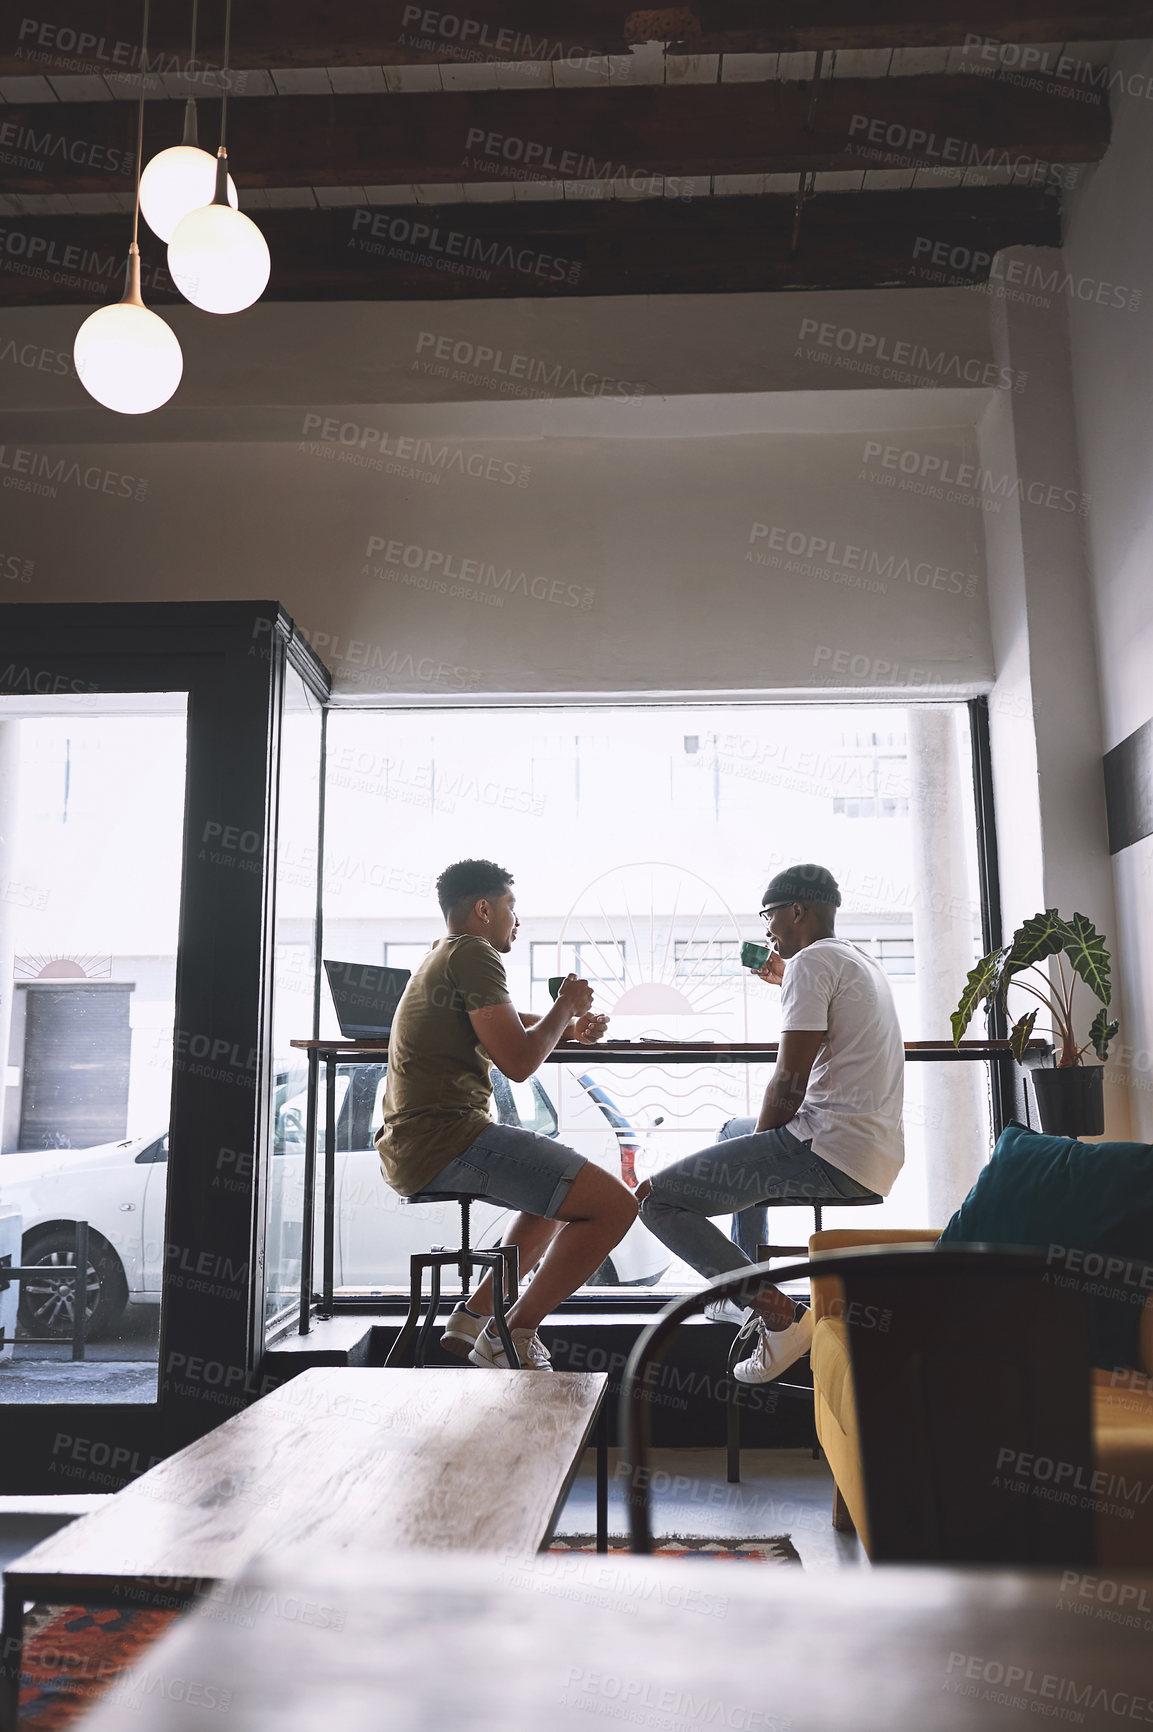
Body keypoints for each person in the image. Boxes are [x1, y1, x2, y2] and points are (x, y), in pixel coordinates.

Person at [637, 864, 904, 1384]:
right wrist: (787, 980)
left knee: (656, 1200)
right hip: (875, 1151)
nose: (767, 930)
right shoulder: (856, 960)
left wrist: (760, 1150)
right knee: (730, 1133)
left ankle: (779, 1316)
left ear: (797, 911)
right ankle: (745, 1293)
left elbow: (789, 1079)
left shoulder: (811, 964)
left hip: (830, 1151)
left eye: (770, 915)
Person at [375, 858, 637, 1370]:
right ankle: (511, 1332)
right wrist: (566, 1006)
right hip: (446, 1141)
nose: (517, 922)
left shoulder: (442, 954)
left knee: (558, 1188)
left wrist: (568, 1027)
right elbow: (518, 1062)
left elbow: (503, 1021)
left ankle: (474, 1315)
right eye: (512, 910)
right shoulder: (475, 953)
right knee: (616, 1207)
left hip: (414, 1143)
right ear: (483, 909)